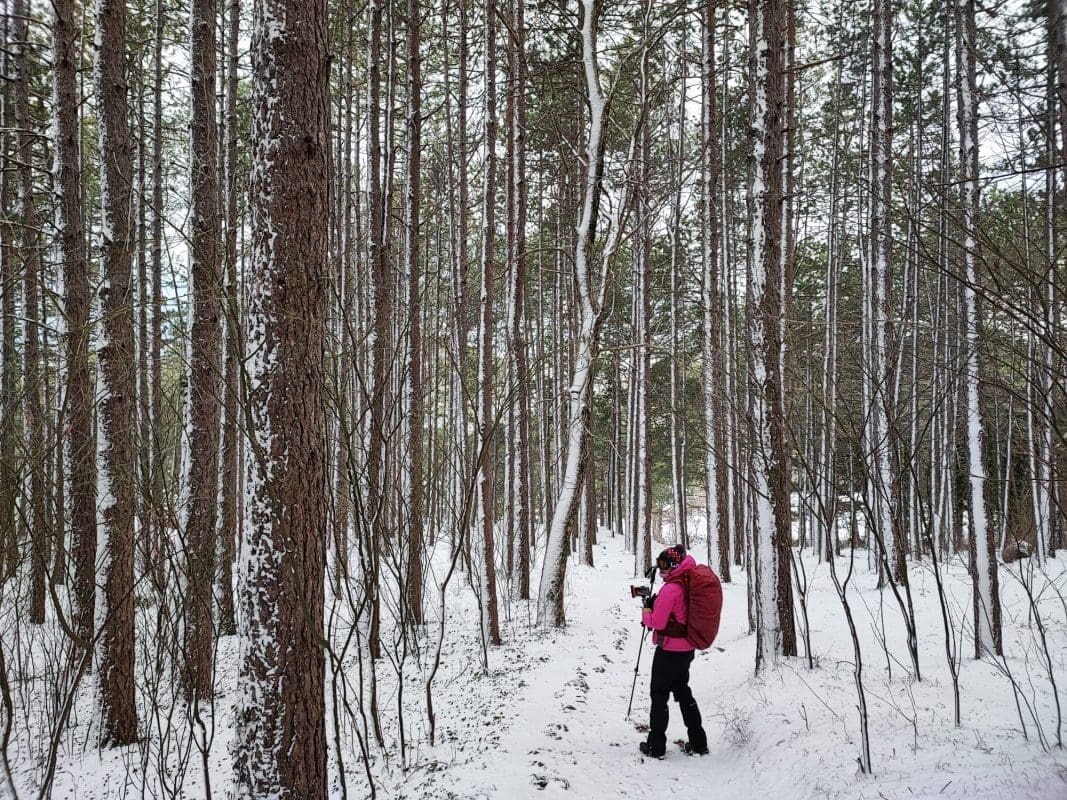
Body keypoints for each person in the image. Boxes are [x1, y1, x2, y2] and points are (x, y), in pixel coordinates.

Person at [639, 544, 709, 759]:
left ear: (675, 565)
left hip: (669, 650)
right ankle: (698, 742)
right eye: (658, 565)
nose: (660, 571)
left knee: (659, 695)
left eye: (665, 566)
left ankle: (656, 746)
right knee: (682, 690)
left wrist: (646, 610)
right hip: (686, 649)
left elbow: (657, 623)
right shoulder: (687, 582)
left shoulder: (671, 589)